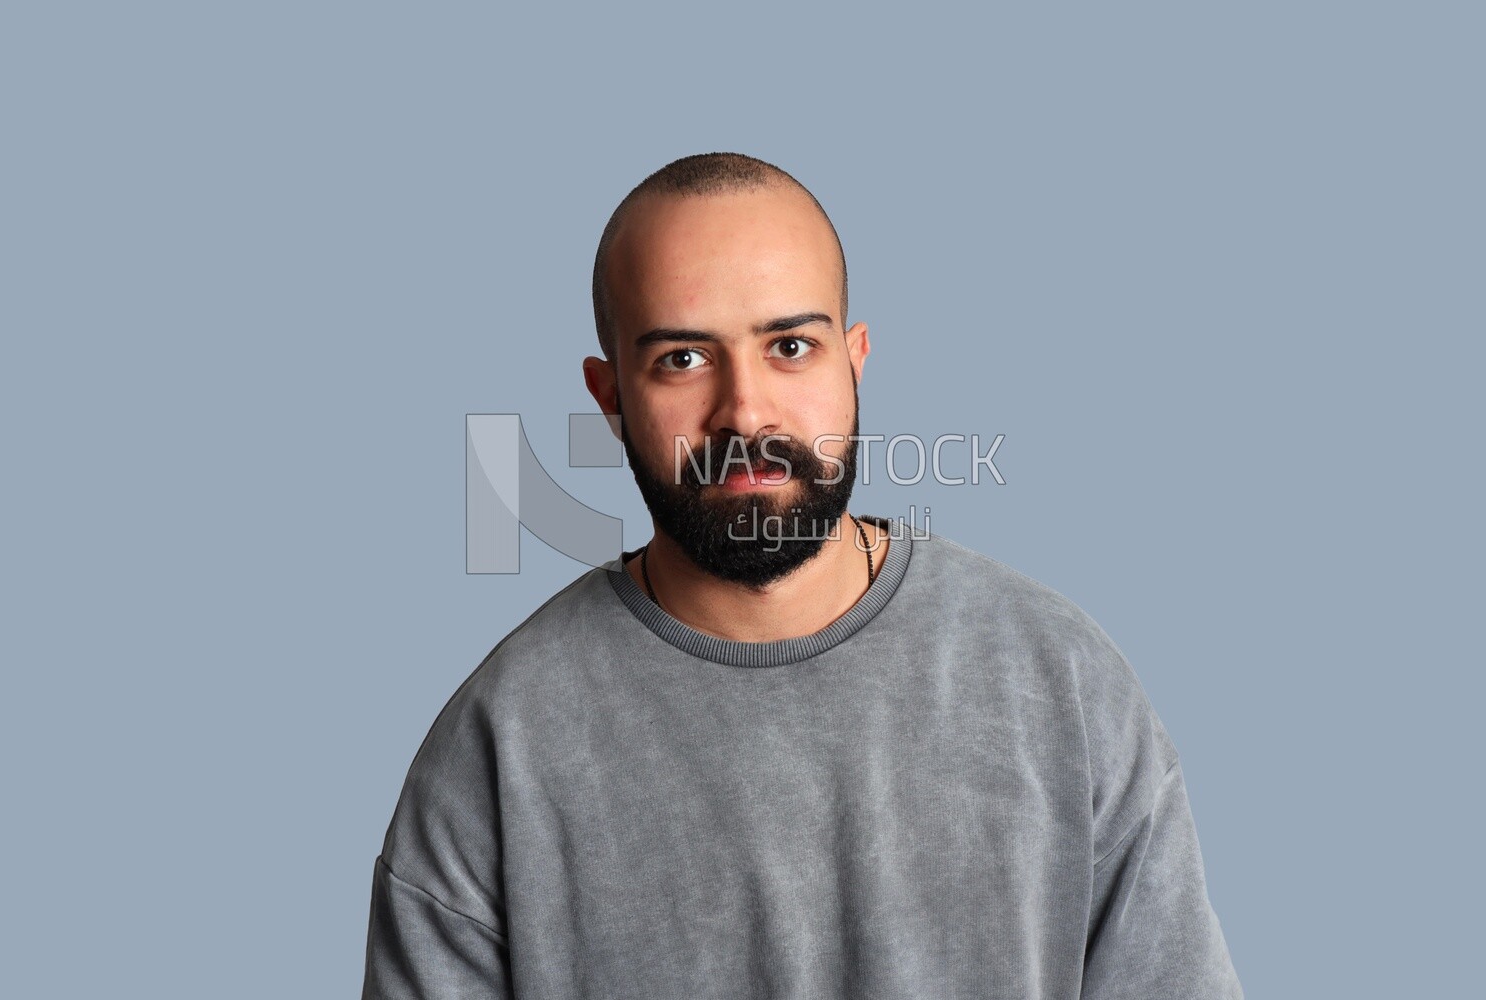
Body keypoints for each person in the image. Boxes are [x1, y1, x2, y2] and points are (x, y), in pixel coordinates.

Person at [361, 152, 1243, 999]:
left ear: (853, 362)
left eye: (789, 347)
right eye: (683, 358)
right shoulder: (497, 750)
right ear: (610, 397)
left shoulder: (1062, 686)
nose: (745, 409)